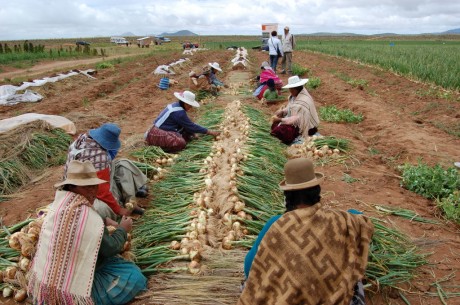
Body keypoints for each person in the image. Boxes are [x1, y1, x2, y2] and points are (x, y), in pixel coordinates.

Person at [238, 158, 374, 305]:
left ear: (287, 196)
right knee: (353, 279)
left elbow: (249, 267)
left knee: (251, 286)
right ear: (317, 191)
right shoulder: (340, 220)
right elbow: (363, 221)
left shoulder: (276, 224)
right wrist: (348, 214)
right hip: (331, 298)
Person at [28, 160, 147, 305]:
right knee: (135, 277)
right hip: (71, 290)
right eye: (86, 187)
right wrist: (122, 229)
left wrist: (102, 222)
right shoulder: (87, 216)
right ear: (72, 187)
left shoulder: (59, 205)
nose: (92, 192)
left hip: (47, 284)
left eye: (94, 186)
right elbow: (111, 249)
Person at [64, 123, 148, 219]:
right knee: (101, 209)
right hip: (84, 191)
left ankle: (130, 203)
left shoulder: (80, 140)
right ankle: (124, 205)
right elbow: (101, 191)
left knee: (123, 164)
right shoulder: (99, 155)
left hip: (75, 184)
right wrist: (118, 210)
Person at [145, 90, 220, 152]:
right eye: (190, 105)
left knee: (187, 134)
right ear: (185, 103)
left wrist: (192, 133)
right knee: (180, 143)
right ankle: (165, 150)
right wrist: (209, 132)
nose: (191, 107)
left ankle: (167, 143)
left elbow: (185, 125)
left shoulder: (176, 105)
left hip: (163, 129)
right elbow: (191, 126)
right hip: (155, 133)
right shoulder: (179, 112)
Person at [271, 75, 320, 145]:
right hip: (295, 123)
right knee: (275, 126)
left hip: (306, 127)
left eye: (290, 89)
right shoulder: (295, 96)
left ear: (295, 89)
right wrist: (283, 111)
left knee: (279, 131)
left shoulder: (304, 100)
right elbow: (290, 108)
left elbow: (296, 119)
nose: (289, 91)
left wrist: (280, 120)